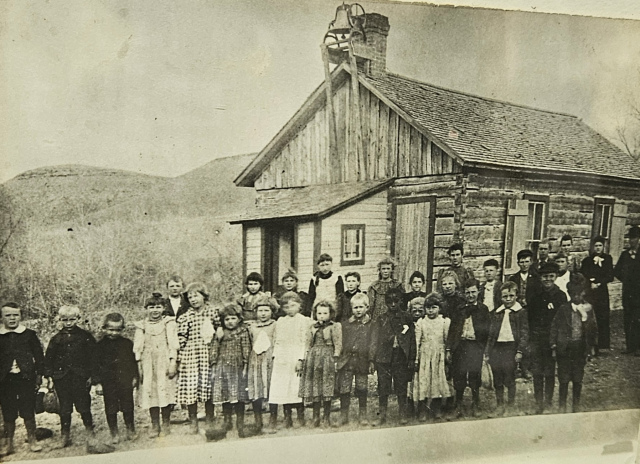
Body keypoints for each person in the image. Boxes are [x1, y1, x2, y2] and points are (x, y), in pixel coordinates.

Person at [44, 305, 96, 448]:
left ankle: (90, 433)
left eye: (72, 319)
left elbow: (94, 357)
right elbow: (48, 359)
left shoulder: (85, 337)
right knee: (64, 408)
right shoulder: (56, 339)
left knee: (84, 405)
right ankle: (65, 436)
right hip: (62, 378)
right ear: (60, 320)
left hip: (81, 378)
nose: (68, 323)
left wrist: (92, 376)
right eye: (65, 320)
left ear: (78, 319)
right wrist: (49, 376)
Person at [0, 302, 45, 454]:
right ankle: (9, 443)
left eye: (15, 315)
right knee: (8, 411)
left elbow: (39, 356)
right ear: (2, 318)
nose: (12, 318)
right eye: (8, 315)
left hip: (26, 378)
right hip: (5, 380)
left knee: (28, 409)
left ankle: (32, 439)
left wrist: (39, 375)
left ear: (20, 316)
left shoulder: (29, 335)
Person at [133, 293, 179, 438]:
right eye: (151, 307)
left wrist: (173, 362)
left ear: (164, 308)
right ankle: (155, 424)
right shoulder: (141, 326)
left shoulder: (169, 323)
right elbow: (138, 348)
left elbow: (173, 345)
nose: (155, 310)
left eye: (158, 307)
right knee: (151, 392)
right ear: (146, 309)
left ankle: (166, 423)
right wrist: (139, 366)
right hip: (148, 363)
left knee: (165, 391)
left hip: (163, 362)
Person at [176, 282, 219, 433]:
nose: (193, 299)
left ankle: (210, 418)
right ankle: (193, 420)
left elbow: (219, 329)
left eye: (196, 296)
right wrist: (179, 358)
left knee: (208, 386)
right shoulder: (186, 316)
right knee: (191, 387)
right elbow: (181, 338)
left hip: (208, 353)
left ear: (204, 296)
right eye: (190, 297)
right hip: (191, 355)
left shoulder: (213, 312)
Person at [550, 276, 597, 413]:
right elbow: (554, 326)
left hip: (579, 347)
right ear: (569, 294)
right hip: (565, 348)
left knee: (577, 377)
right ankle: (562, 406)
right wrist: (553, 345)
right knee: (563, 378)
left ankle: (576, 405)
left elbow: (593, 328)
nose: (576, 297)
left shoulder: (588, 309)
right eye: (573, 294)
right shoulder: (563, 309)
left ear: (583, 293)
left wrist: (591, 347)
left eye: (579, 294)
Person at [526, 262, 566, 414]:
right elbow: (530, 318)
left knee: (549, 371)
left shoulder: (560, 296)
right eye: (544, 277)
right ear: (540, 278)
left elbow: (562, 321)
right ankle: (538, 402)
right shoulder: (535, 295)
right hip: (537, 338)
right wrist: (530, 338)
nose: (548, 279)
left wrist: (558, 341)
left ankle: (548, 402)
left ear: (556, 277)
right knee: (537, 371)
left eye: (551, 276)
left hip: (551, 340)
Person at [447, 280, 490, 418]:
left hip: (475, 346)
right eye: (467, 293)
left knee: (474, 374)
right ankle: (458, 404)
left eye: (473, 292)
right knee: (459, 374)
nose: (470, 295)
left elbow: (487, 331)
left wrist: (484, 349)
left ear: (478, 292)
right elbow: (452, 330)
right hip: (460, 346)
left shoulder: (483, 309)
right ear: (463, 293)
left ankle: (475, 402)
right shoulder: (459, 309)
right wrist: (449, 349)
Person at [372, 287, 416, 426]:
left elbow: (412, 339)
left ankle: (402, 413)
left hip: (400, 357)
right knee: (383, 386)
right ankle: (382, 414)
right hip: (384, 358)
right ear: (385, 302)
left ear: (401, 301)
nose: (392, 304)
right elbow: (375, 340)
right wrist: (373, 359)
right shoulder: (381, 319)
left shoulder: (406, 317)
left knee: (401, 385)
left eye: (396, 301)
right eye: (389, 301)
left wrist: (411, 358)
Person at [268, 291, 312, 429]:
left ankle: (300, 415)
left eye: (293, 306)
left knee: (296, 386)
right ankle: (287, 416)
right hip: (282, 357)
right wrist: (275, 356)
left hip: (296, 356)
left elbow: (305, 341)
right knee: (283, 386)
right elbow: (277, 340)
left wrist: (301, 359)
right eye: (286, 307)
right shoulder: (281, 321)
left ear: (299, 305)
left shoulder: (304, 320)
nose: (289, 309)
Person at [94, 313, 139, 443]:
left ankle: (130, 429)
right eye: (110, 330)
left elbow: (133, 362)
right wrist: (98, 383)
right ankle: (114, 432)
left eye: (118, 330)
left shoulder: (127, 344)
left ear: (122, 329)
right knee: (111, 408)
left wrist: (135, 377)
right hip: (108, 382)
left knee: (128, 406)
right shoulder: (99, 346)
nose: (114, 333)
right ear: (104, 328)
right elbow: (95, 365)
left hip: (125, 380)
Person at [485, 282, 529, 416]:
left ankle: (510, 405)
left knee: (509, 377)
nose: (508, 299)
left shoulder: (520, 312)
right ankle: (500, 405)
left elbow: (524, 333)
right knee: (497, 377)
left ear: (516, 296)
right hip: (497, 348)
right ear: (500, 297)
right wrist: (487, 351)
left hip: (511, 348)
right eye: (505, 296)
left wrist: (520, 351)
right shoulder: (497, 313)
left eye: (511, 296)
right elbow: (491, 334)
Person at [210, 303, 252, 438]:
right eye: (227, 319)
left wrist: (245, 365)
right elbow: (214, 348)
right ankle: (227, 421)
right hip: (223, 367)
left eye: (233, 318)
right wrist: (214, 365)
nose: (230, 322)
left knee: (239, 396)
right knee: (225, 394)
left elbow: (246, 349)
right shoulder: (220, 333)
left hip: (237, 367)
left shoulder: (243, 332)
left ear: (239, 319)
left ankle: (240, 422)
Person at [300, 300, 342, 428]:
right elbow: (308, 344)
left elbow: (338, 344)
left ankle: (326, 417)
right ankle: (316, 417)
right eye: (319, 313)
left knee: (327, 387)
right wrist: (305, 358)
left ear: (330, 314)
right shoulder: (312, 327)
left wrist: (335, 359)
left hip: (327, 357)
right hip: (314, 358)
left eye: (325, 313)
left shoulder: (334, 326)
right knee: (316, 387)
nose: (322, 316)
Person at [336, 293, 376, 426]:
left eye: (361, 307)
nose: (358, 310)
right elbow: (341, 342)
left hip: (362, 361)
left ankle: (362, 414)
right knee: (345, 387)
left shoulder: (371, 325)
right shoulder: (346, 324)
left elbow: (373, 343)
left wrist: (371, 360)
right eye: (355, 307)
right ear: (351, 308)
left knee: (362, 387)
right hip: (347, 361)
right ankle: (344, 415)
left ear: (367, 307)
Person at [246, 295, 278, 433]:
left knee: (272, 388)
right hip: (256, 360)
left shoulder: (275, 325)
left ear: (272, 311)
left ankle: (273, 418)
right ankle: (258, 419)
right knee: (256, 388)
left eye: (266, 310)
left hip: (270, 360)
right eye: (260, 311)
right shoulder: (251, 326)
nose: (263, 314)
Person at [581, 236, 614, 355]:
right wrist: (590, 282)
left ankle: (603, 346)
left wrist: (599, 283)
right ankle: (589, 345)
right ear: (593, 247)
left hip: (602, 292)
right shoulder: (587, 261)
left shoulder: (608, 259)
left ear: (603, 247)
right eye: (596, 246)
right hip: (590, 292)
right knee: (589, 317)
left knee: (603, 317)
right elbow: (583, 274)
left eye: (600, 245)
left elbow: (610, 276)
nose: (598, 248)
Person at [614, 225, 640, 355]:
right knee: (628, 318)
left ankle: (638, 347)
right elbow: (617, 271)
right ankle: (630, 346)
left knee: (638, 318)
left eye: (634, 238)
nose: (631, 241)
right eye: (630, 238)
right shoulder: (625, 255)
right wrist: (626, 279)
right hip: (628, 292)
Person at [407, 297, 426, 420]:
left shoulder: (425, 323)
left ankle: (422, 407)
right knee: (410, 382)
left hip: (423, 356)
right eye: (415, 311)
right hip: (409, 357)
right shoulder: (407, 324)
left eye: (420, 311)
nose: (418, 313)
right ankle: (409, 405)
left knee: (422, 381)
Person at [367, 257, 404, 321]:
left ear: (392, 270)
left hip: (394, 316)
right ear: (380, 270)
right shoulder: (374, 286)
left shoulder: (397, 285)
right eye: (383, 269)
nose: (385, 271)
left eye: (388, 269)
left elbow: (402, 303)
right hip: (377, 317)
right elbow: (371, 305)